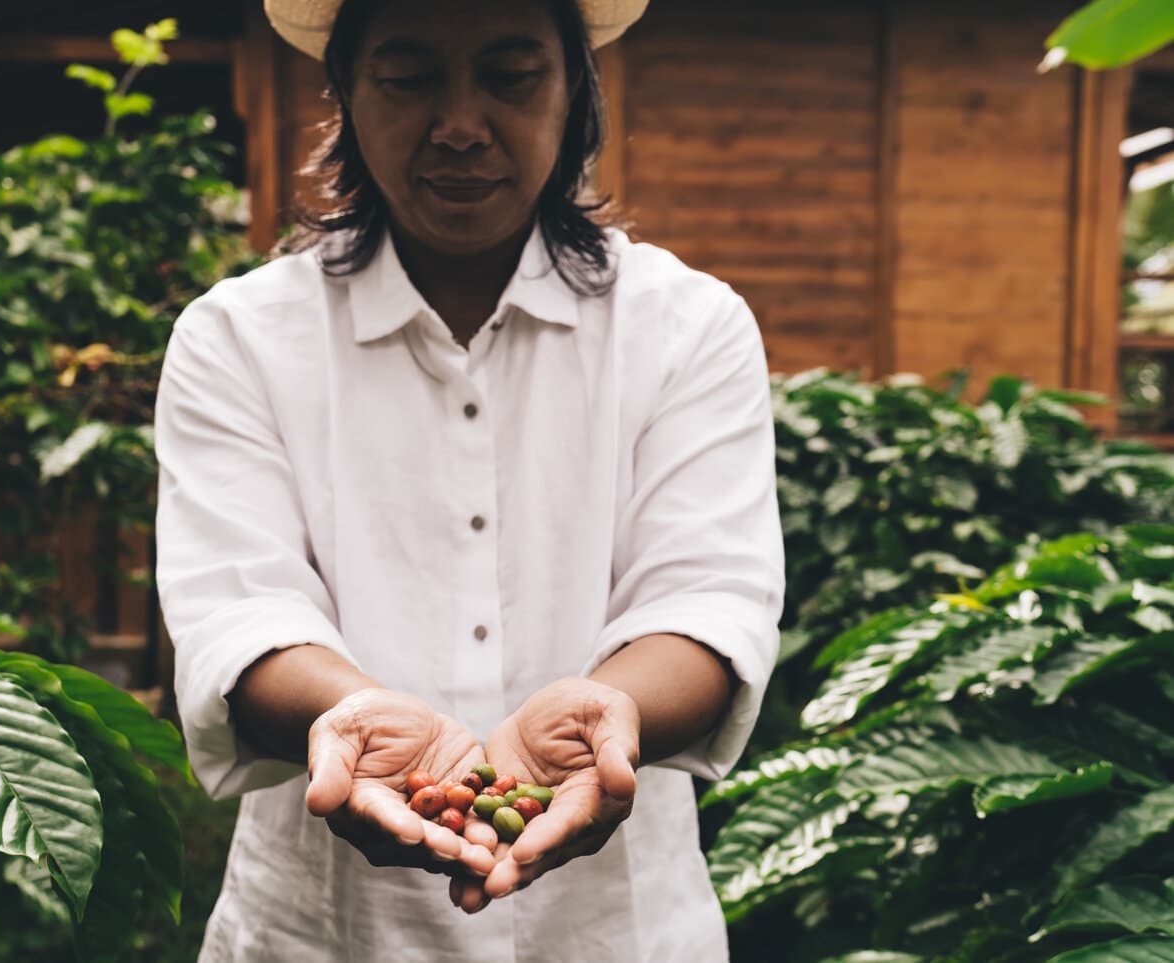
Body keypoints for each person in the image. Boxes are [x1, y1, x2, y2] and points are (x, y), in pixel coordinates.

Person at [153, 0, 784, 958]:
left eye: (510, 74)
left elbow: (707, 595)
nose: (458, 123)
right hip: (323, 932)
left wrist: (615, 710)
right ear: (346, 96)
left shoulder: (688, 327)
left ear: (576, 92)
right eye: (408, 78)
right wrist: (348, 716)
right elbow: (238, 611)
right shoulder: (238, 340)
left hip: (617, 933)